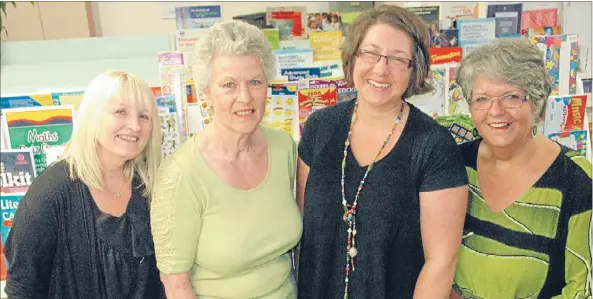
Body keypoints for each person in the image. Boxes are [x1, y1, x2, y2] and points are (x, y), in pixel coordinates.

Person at [296, 5, 469, 299]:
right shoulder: (319, 128)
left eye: (398, 59)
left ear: (415, 69)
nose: (380, 68)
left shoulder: (433, 146)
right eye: (370, 53)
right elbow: (305, 232)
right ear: (353, 57)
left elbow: (441, 263)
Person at [150, 20, 302, 299]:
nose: (245, 97)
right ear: (205, 93)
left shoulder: (283, 148)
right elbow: (176, 285)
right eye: (229, 85)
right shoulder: (181, 173)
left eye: (255, 82)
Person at [4, 70, 165, 298]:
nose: (135, 126)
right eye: (121, 112)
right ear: (93, 116)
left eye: (144, 116)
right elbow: (23, 288)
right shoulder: (51, 193)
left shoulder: (148, 187)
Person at [452, 38, 592, 298]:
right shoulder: (455, 165)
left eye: (512, 97)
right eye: (482, 99)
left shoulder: (575, 179)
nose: (495, 111)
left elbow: (582, 289)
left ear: (537, 103)